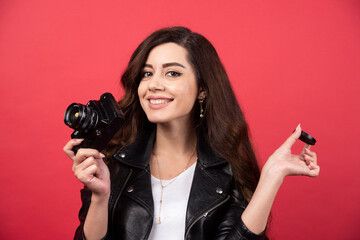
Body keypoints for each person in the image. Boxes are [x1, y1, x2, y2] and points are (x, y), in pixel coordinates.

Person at [63, 27, 320, 240]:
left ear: (202, 89)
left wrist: (271, 177)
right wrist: (100, 196)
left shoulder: (228, 170)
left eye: (172, 73)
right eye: (147, 73)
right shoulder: (113, 159)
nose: (154, 84)